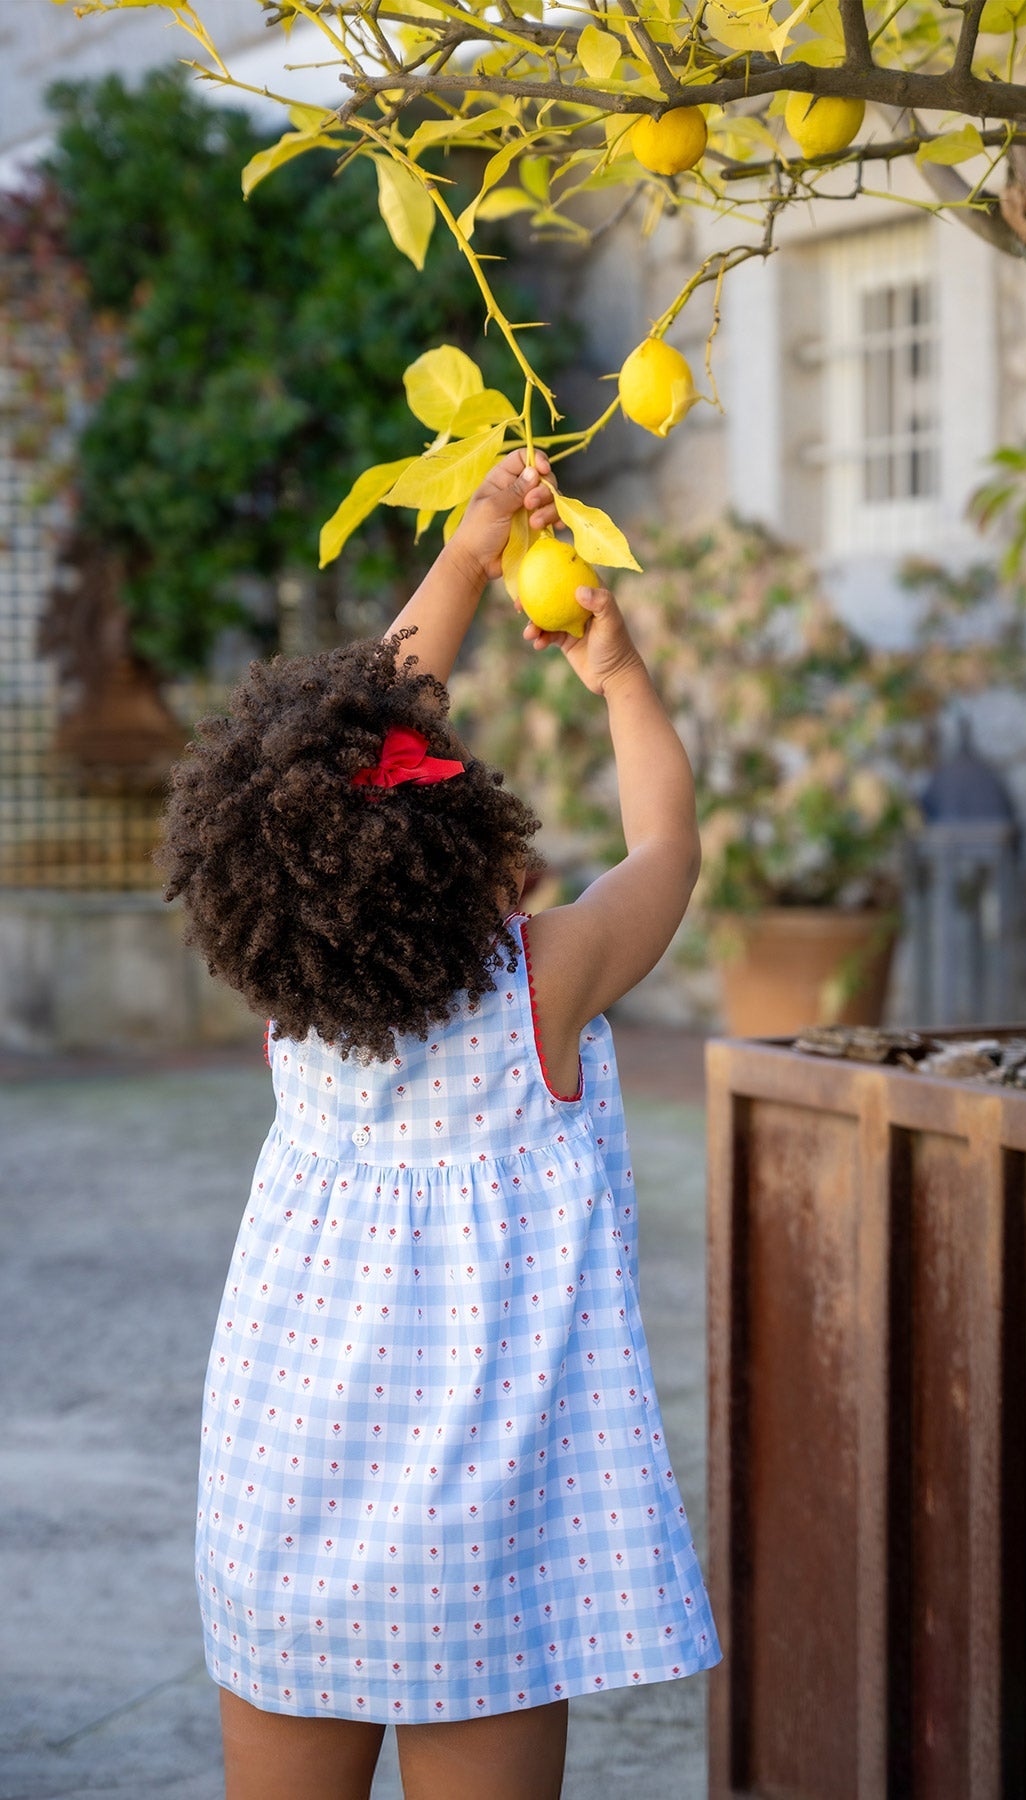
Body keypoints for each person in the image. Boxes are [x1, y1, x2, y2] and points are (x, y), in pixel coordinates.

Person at [159, 448, 720, 1800]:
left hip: (283, 1513)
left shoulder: (299, 1005)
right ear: (472, 848)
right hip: (483, 1552)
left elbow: (346, 749)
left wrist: (465, 559)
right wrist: (617, 674)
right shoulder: (547, 989)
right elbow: (668, 852)